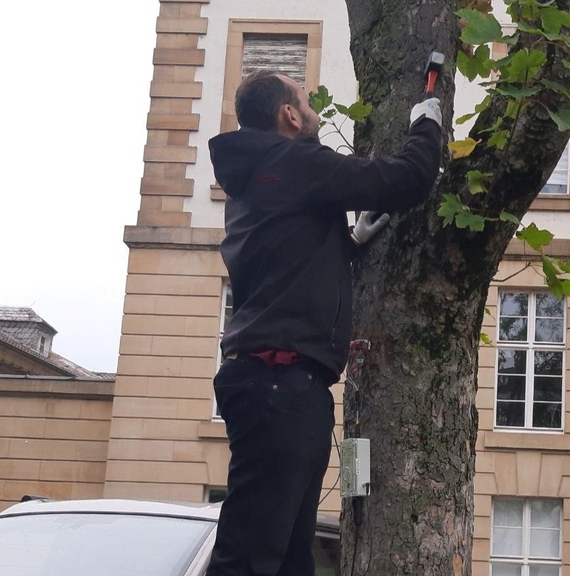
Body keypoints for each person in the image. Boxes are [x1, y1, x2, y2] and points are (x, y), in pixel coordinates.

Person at [205, 70, 442, 576]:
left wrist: (347, 245)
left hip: (279, 381)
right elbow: (406, 179)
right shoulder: (291, 161)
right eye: (306, 101)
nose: (312, 108)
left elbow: (286, 265)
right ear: (289, 115)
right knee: (251, 555)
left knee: (290, 555)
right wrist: (427, 123)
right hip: (280, 383)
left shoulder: (255, 180)